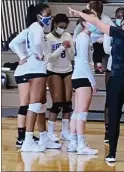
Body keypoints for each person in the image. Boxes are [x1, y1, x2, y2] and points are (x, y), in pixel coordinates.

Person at [68, 7, 124, 163]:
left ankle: (111, 154)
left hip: (116, 79)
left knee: (113, 117)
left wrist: (79, 13)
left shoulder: (116, 33)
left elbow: (96, 22)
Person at [10, 4, 62, 152]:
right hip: (36, 69)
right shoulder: (37, 28)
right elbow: (38, 43)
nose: (49, 17)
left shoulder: (29, 29)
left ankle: (44, 137)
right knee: (34, 105)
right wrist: (39, 54)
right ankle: (27, 140)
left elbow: (13, 43)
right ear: (39, 15)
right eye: (47, 14)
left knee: (41, 103)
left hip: (33, 68)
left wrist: (22, 56)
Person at [67, 9, 98, 155]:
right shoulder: (84, 38)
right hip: (83, 77)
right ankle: (81, 144)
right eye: (92, 21)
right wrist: (93, 82)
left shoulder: (81, 37)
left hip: (77, 76)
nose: (96, 24)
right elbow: (84, 62)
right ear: (85, 22)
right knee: (82, 113)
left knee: (77, 111)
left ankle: (73, 142)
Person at [46, 13, 75, 142]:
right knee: (57, 103)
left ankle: (65, 131)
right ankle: (50, 132)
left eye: (65, 27)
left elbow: (73, 56)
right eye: (60, 26)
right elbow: (49, 57)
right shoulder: (48, 38)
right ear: (55, 24)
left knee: (67, 103)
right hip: (53, 71)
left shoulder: (68, 36)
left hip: (67, 69)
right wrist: (61, 47)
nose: (62, 29)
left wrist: (68, 48)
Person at [9, 30, 39, 148]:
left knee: (32, 105)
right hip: (23, 72)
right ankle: (21, 137)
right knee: (24, 105)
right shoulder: (27, 34)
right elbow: (12, 44)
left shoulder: (36, 35)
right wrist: (22, 56)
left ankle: (27, 135)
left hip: (30, 71)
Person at [103, 7, 124, 144]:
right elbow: (107, 49)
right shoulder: (110, 31)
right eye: (118, 16)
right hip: (112, 69)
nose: (120, 18)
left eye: (123, 16)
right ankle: (108, 130)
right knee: (110, 102)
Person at [73, 1, 113, 74]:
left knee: (97, 46)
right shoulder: (85, 20)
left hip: (101, 42)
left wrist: (104, 38)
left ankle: (98, 65)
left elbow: (113, 31)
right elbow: (77, 30)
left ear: (93, 11)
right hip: (89, 40)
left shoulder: (106, 19)